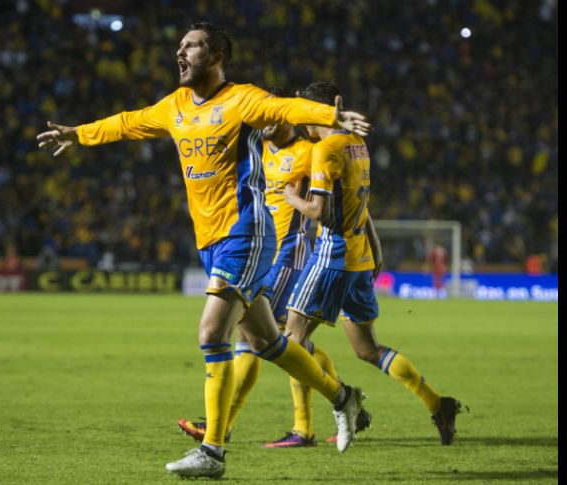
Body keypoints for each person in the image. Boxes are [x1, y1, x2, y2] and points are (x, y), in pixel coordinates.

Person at [36, 23, 370, 479]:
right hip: (210, 241)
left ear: (215, 57)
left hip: (246, 233)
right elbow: (128, 122)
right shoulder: (174, 107)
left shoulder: (240, 99)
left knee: (213, 334)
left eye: (190, 46)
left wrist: (333, 118)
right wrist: (80, 134)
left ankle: (212, 452)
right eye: (179, 46)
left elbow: (284, 106)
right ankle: (344, 398)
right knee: (267, 343)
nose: (180, 52)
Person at [176, 87, 371, 449]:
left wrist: (368, 238)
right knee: (265, 337)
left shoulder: (307, 152)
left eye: (269, 118)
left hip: (289, 253)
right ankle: (341, 400)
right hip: (261, 253)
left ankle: (251, 428)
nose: (263, 124)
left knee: (254, 337)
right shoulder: (258, 150)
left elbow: (341, 192)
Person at [281, 81, 463, 447]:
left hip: (332, 258)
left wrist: (291, 198)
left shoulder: (326, 149)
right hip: (360, 257)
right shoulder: (357, 145)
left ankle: (331, 411)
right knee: (367, 350)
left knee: (291, 342)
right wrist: (376, 247)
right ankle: (437, 403)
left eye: (304, 109)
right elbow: (358, 203)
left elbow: (319, 210)